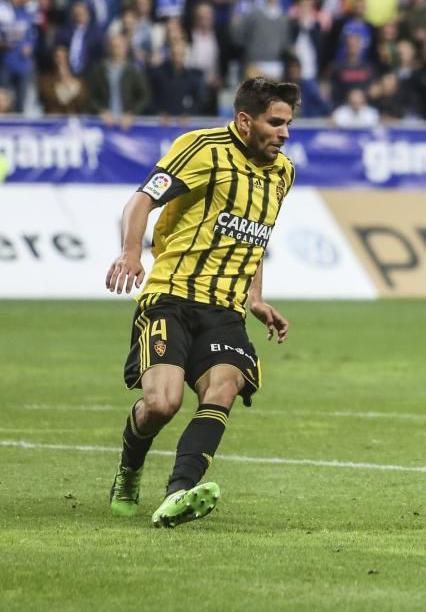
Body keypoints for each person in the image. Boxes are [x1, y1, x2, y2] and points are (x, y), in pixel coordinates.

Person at [105, 77, 299, 528]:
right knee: (162, 404)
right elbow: (140, 200)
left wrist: (255, 297)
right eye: (276, 123)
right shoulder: (201, 148)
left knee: (223, 389)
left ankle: (179, 493)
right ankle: (129, 470)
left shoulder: (282, 174)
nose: (285, 133)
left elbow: (253, 236)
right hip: (171, 297)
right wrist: (132, 252)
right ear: (245, 120)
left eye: (289, 123)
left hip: (225, 310)